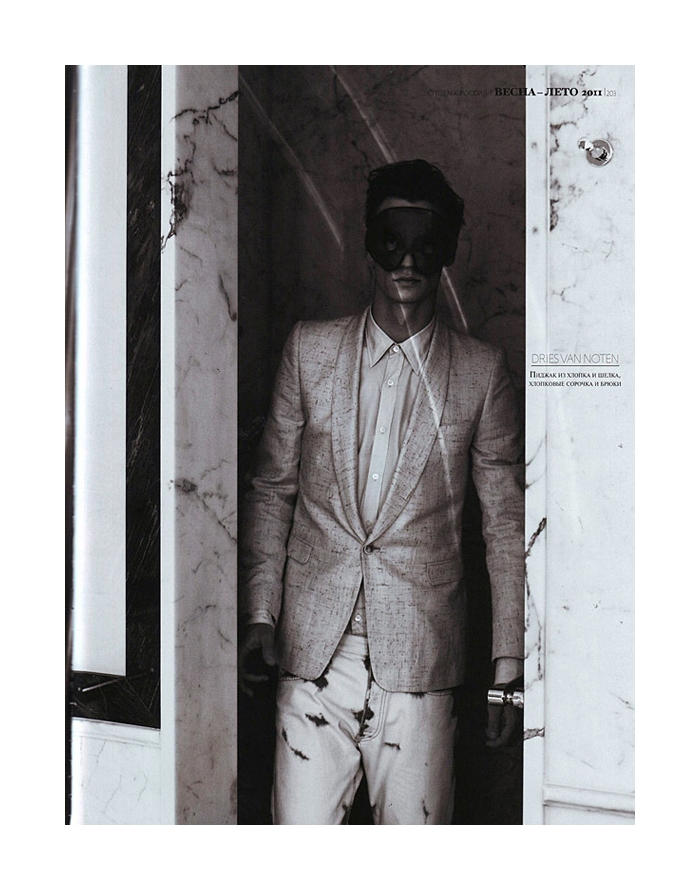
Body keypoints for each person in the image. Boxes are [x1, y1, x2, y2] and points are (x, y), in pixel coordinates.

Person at [239, 158, 524, 824]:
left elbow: (506, 527)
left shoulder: (481, 373)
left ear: (448, 251)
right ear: (368, 242)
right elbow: (272, 490)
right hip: (312, 657)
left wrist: (508, 669)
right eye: (392, 241)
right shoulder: (309, 351)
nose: (408, 261)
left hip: (422, 666)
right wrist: (259, 614)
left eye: (426, 244)